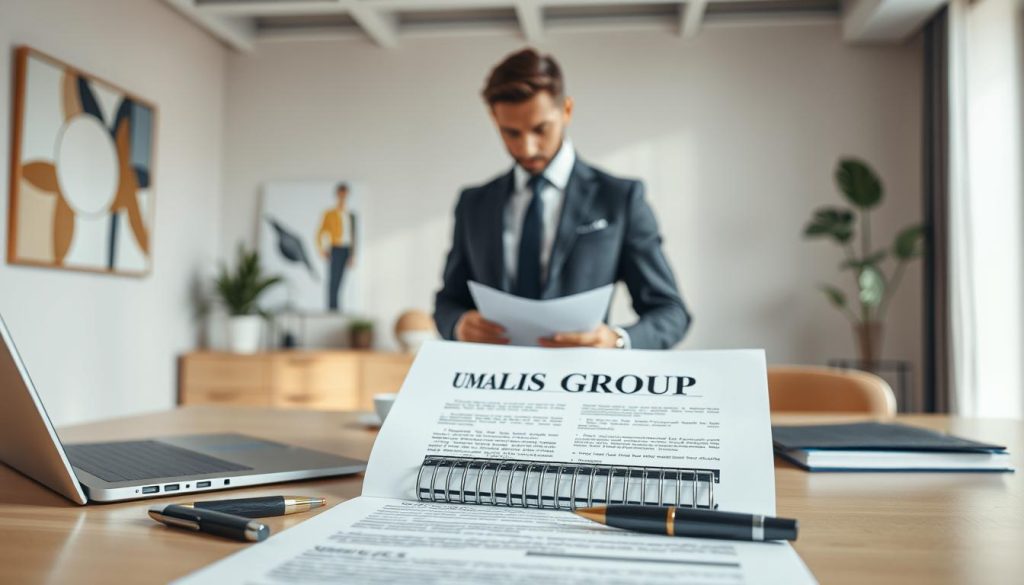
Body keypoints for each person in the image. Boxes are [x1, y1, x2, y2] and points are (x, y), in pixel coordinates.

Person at [434, 48, 691, 349]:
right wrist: (459, 325)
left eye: (540, 129)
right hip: (492, 386)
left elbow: (671, 313)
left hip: (581, 384)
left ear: (566, 110)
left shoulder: (620, 198)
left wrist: (617, 341)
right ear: (494, 118)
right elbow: (449, 301)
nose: (527, 148)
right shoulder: (473, 204)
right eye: (511, 133)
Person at [317, 183, 357, 311]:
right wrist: (322, 249)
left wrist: (353, 255)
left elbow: (354, 236)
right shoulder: (329, 213)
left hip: (347, 249)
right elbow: (320, 232)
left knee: (341, 280)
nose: (342, 197)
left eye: (345, 194)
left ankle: (337, 308)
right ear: (337, 195)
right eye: (340, 194)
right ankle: (332, 308)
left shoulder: (351, 215)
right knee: (333, 280)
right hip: (335, 248)